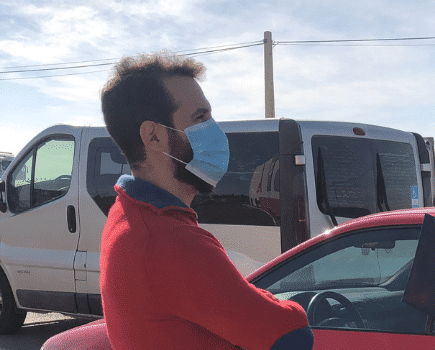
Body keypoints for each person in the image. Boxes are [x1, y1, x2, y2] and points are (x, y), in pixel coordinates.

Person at [99, 53, 314, 350]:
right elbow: (291, 336)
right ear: (154, 136)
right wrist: (296, 310)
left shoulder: (126, 213)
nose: (216, 131)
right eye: (200, 119)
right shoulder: (169, 240)